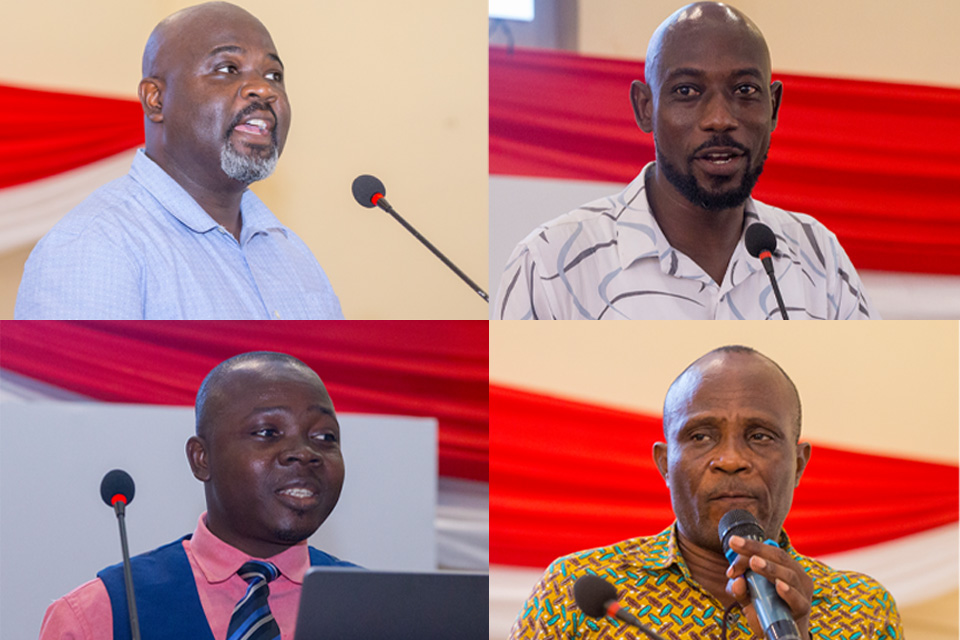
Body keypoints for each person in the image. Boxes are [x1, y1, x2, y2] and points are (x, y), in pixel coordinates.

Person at [496, 2, 875, 320]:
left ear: (773, 106)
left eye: (745, 90)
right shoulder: (548, 266)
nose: (720, 119)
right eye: (687, 91)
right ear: (645, 108)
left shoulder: (821, 258)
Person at [510, 346, 902, 639]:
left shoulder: (863, 610)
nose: (731, 459)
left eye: (760, 436)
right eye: (701, 436)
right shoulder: (575, 591)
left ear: (798, 464)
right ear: (665, 464)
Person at [16, 2, 342, 319]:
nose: (263, 89)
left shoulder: (293, 254)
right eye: (228, 69)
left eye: (274, 75)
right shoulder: (94, 246)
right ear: (156, 100)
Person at [38, 352, 355, 640]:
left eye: (325, 436)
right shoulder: (98, 617)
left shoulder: (379, 608)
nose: (304, 453)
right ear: (201, 458)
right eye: (267, 432)